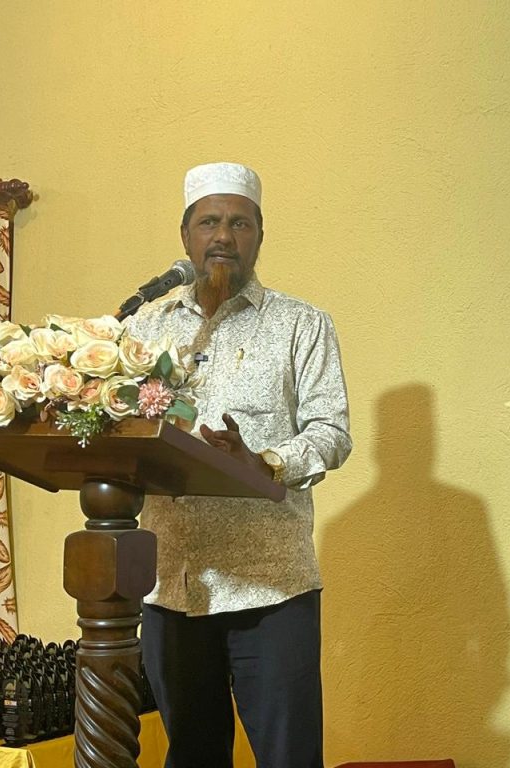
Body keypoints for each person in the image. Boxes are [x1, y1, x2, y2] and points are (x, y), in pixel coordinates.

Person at [127, 161, 352, 768]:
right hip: (172, 586)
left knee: (288, 758)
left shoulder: (301, 324)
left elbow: (331, 431)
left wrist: (265, 461)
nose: (223, 236)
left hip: (271, 588)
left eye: (239, 223)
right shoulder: (144, 326)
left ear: (259, 235)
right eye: (208, 223)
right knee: (192, 756)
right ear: (185, 236)